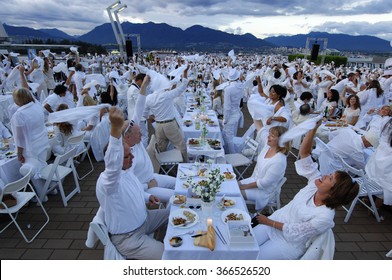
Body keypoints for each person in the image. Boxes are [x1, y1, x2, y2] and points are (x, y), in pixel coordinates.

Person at [253, 121, 359, 260]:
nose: (325, 175)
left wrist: (267, 221)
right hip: (274, 222)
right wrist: (312, 129)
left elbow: (294, 233)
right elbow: (304, 154)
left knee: (255, 259)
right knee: (244, 246)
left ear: (335, 191)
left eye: (330, 178)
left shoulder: (325, 216)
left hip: (287, 243)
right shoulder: (314, 185)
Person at [96, 106, 169, 260]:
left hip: (145, 219)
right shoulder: (109, 182)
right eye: (128, 156)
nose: (133, 158)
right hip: (129, 238)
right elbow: (113, 161)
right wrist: (115, 130)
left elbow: (134, 190)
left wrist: (147, 198)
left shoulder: (127, 171)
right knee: (169, 255)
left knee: (175, 212)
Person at [10, 87, 50, 199]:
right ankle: (51, 188)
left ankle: (43, 195)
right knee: (42, 165)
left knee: (32, 171)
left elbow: (20, 139)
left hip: (30, 148)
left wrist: (19, 154)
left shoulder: (19, 115)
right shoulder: (36, 105)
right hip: (42, 142)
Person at [143, 65, 189, 160]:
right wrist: (185, 73)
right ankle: (186, 167)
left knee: (161, 149)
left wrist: (153, 117)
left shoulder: (149, 98)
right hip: (170, 125)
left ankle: (161, 168)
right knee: (181, 147)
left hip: (158, 125)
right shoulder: (166, 95)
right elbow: (182, 87)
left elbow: (145, 114)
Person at [239, 126, 290, 211]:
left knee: (235, 192)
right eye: (269, 134)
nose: (268, 137)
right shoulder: (268, 147)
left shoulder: (279, 161)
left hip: (264, 191)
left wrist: (245, 186)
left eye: (272, 136)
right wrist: (255, 113)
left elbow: (265, 183)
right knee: (232, 184)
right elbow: (260, 128)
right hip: (254, 181)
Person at [365, 119, 392, 206]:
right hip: (382, 177)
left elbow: (381, 135)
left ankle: (368, 198)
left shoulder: (388, 122)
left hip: (381, 153)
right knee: (387, 183)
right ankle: (376, 208)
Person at [222, 68, 244, 153]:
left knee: (228, 138)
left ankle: (231, 155)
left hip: (230, 115)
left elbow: (227, 107)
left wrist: (225, 119)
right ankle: (230, 153)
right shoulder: (240, 86)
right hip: (237, 113)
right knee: (232, 136)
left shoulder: (228, 89)